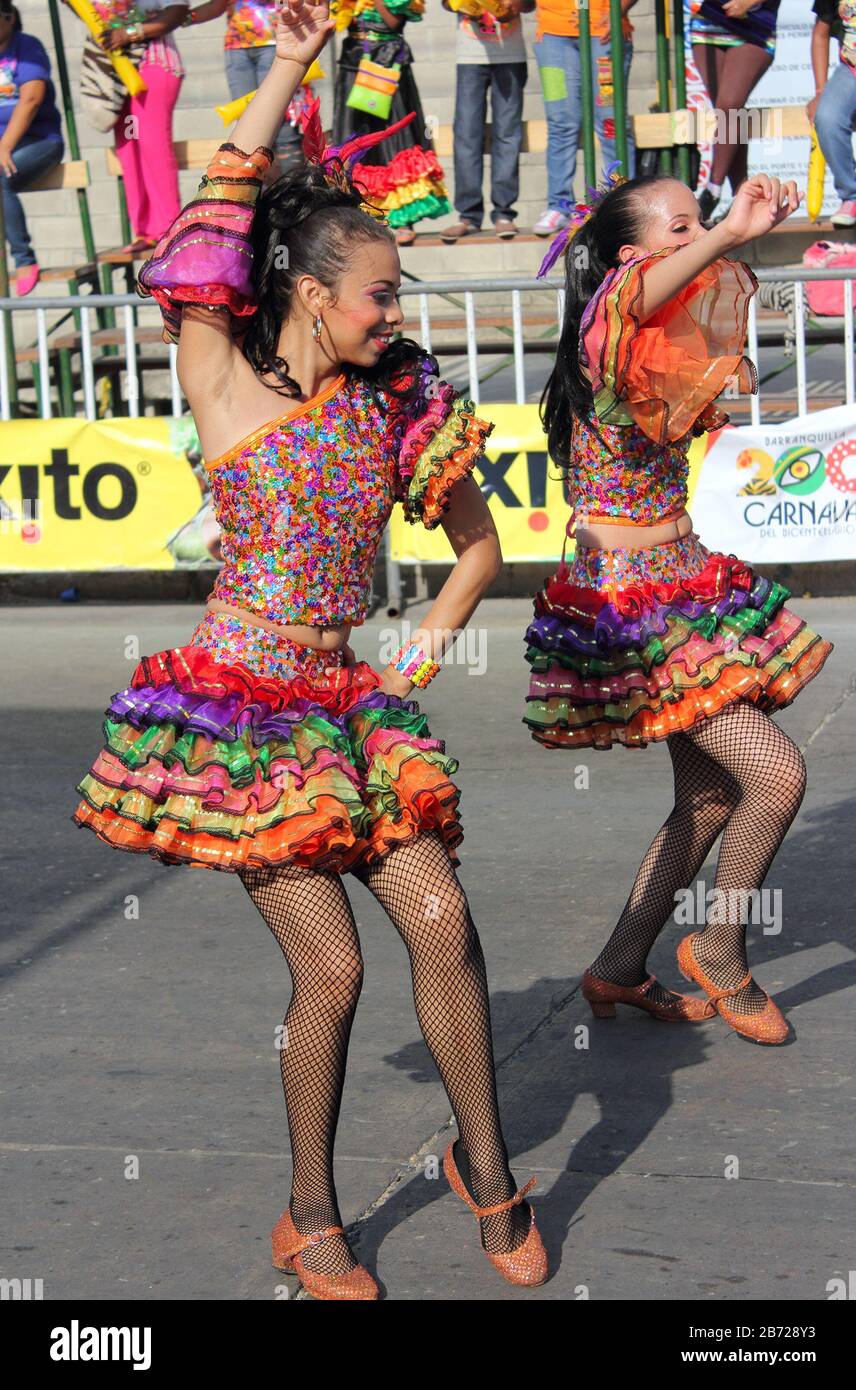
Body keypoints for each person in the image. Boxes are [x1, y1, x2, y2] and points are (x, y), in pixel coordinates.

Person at [71, 0, 549, 1300]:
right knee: (329, 969)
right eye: (378, 291)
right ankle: (308, 1208)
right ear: (307, 290)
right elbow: (209, 216)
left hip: (351, 703)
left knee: (442, 922)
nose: (394, 309)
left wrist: (417, 651)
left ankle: (486, 1166)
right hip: (240, 719)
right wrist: (285, 58)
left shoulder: (400, 396)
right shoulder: (220, 376)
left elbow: (478, 548)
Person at [524, 166, 834, 1045]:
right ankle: (721, 950)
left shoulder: (663, 344)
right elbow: (633, 293)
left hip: (687, 581)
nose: (696, 239)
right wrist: (730, 231)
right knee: (777, 774)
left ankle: (619, 968)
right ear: (630, 259)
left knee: (705, 801)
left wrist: (743, 233)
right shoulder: (610, 324)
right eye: (679, 229)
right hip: (631, 606)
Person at [73, 1, 189, 255]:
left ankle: (169, 229)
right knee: (128, 148)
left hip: (153, 63)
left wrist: (129, 33)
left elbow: (177, 10)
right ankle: (145, 231)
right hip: (115, 67)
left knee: (153, 144)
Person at [331, 0, 450, 245]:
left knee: (394, 139)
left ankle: (402, 218)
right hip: (354, 60)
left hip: (387, 62)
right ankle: (362, 212)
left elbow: (393, 22)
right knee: (356, 142)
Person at [533, 0, 638, 236]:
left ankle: (621, 202)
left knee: (611, 122)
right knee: (560, 121)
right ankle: (558, 206)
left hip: (603, 31)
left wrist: (617, 10)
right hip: (553, 36)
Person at [439, 0, 535, 243]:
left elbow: (530, 5)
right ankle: (468, 215)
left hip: (510, 55)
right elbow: (446, 4)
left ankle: (504, 212)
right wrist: (463, 5)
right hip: (470, 57)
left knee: (508, 134)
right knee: (467, 135)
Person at [181, 1, 306, 170]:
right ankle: (256, 189)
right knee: (247, 120)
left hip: (274, 43)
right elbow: (219, 4)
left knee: (280, 117)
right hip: (237, 48)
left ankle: (293, 188)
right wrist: (182, 18)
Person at [689, 0, 781, 224]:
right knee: (728, 114)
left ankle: (713, 188)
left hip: (754, 27)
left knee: (729, 105)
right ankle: (742, 194)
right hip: (707, 25)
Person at [0, 2, 64, 296]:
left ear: (8, 18)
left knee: (0, 174)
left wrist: (5, 147)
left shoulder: (26, 47)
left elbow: (31, 99)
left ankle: (24, 258)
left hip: (39, 142)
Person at [810, 1, 856, 227]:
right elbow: (820, 35)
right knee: (828, 117)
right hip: (853, 68)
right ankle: (852, 196)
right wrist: (820, 91)